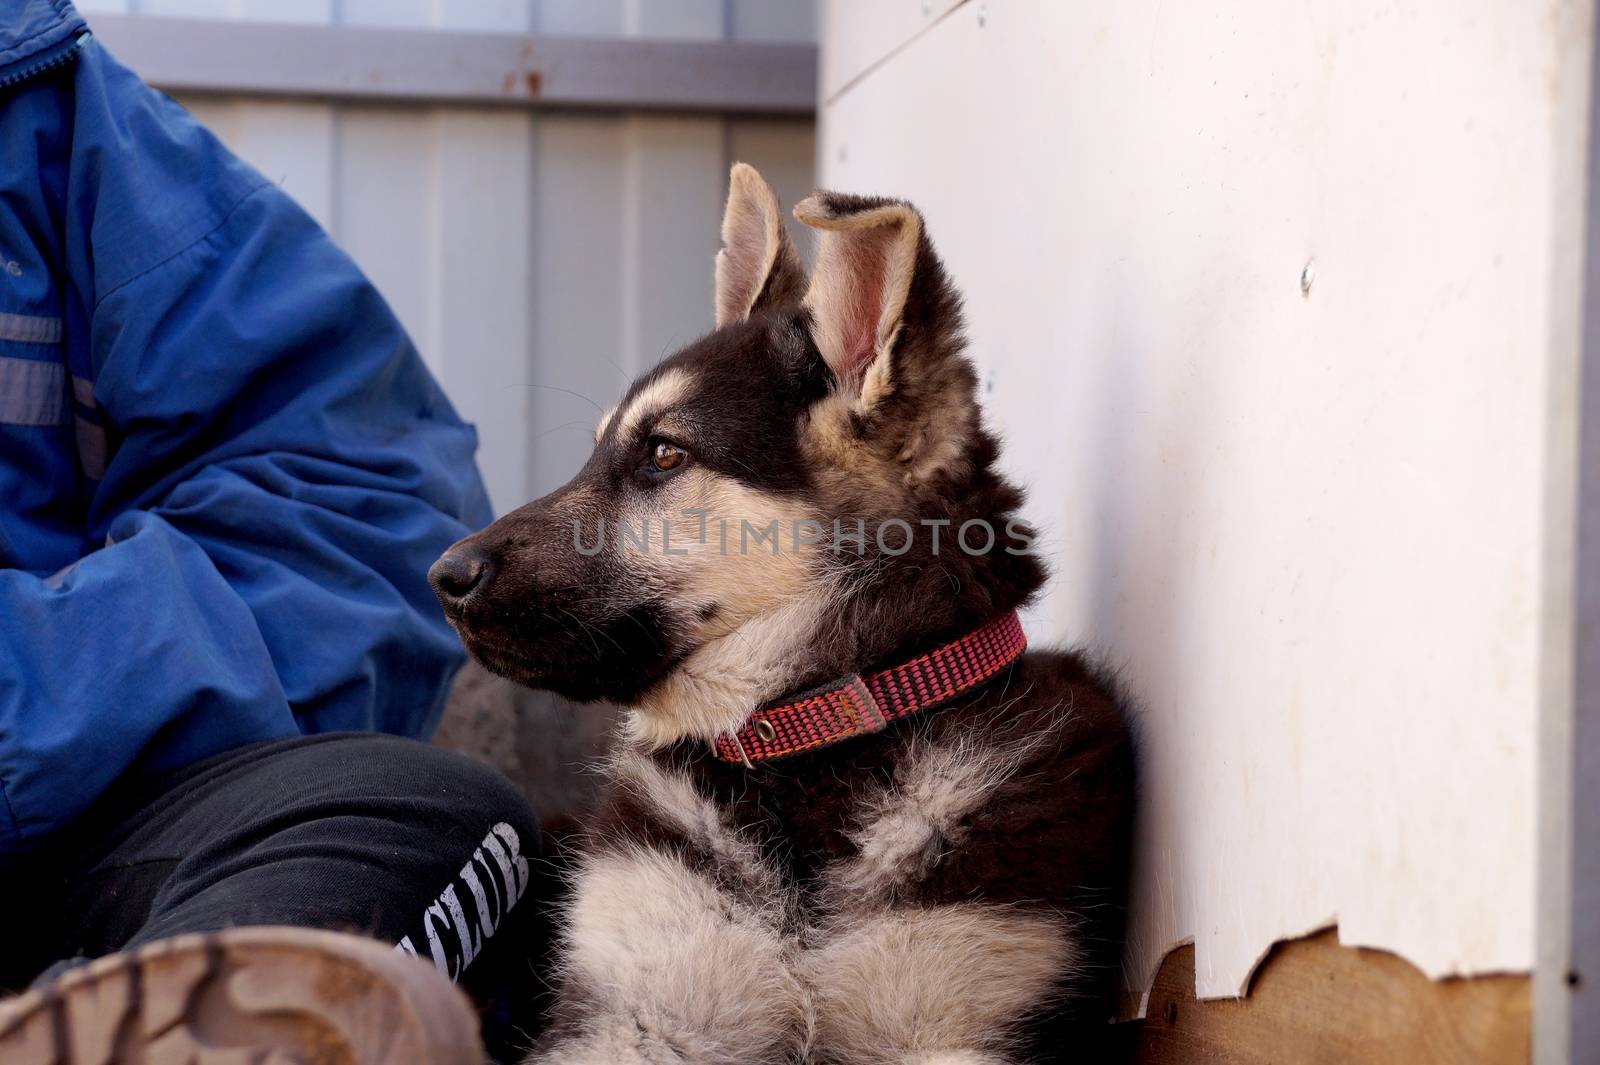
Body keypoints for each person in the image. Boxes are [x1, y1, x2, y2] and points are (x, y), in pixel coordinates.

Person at [0, 3, 543, 1061]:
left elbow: (357, 499)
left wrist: (25, 702)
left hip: (58, 830)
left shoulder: (49, 114)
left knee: (425, 823)